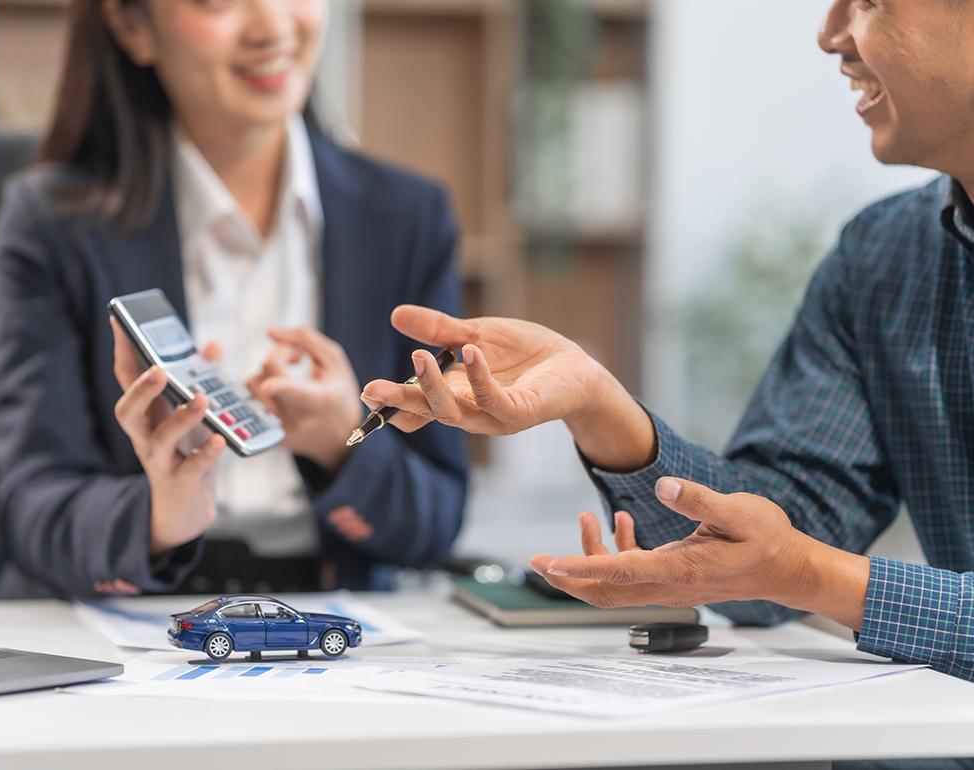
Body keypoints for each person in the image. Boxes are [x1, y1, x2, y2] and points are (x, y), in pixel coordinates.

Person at [361, 0, 974, 683]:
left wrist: (810, 575)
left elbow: (798, 564)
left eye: (867, 3)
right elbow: (782, 536)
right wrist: (601, 409)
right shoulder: (885, 255)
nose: (830, 35)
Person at [0, 0, 466, 599]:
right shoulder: (51, 223)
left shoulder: (407, 219)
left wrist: (345, 438)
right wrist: (162, 513)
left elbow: (438, 521)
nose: (272, 26)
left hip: (328, 624)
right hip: (123, 622)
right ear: (134, 26)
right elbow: (31, 509)